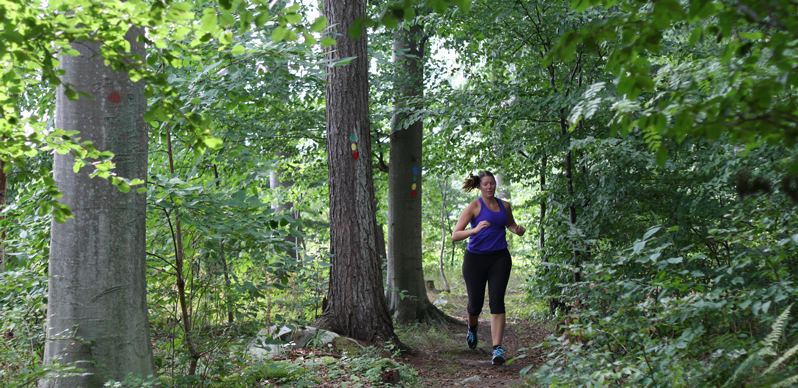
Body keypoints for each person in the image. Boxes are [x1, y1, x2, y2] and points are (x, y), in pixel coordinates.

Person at [452, 170, 525, 366]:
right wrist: (474, 230)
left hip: (500, 258)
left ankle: (497, 349)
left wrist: (517, 230)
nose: (490, 187)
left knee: (497, 301)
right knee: (475, 305)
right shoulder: (474, 206)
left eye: (492, 183)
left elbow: (509, 224)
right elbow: (455, 235)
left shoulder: (505, 206)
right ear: (479, 186)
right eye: (485, 184)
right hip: (475, 260)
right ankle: (472, 327)